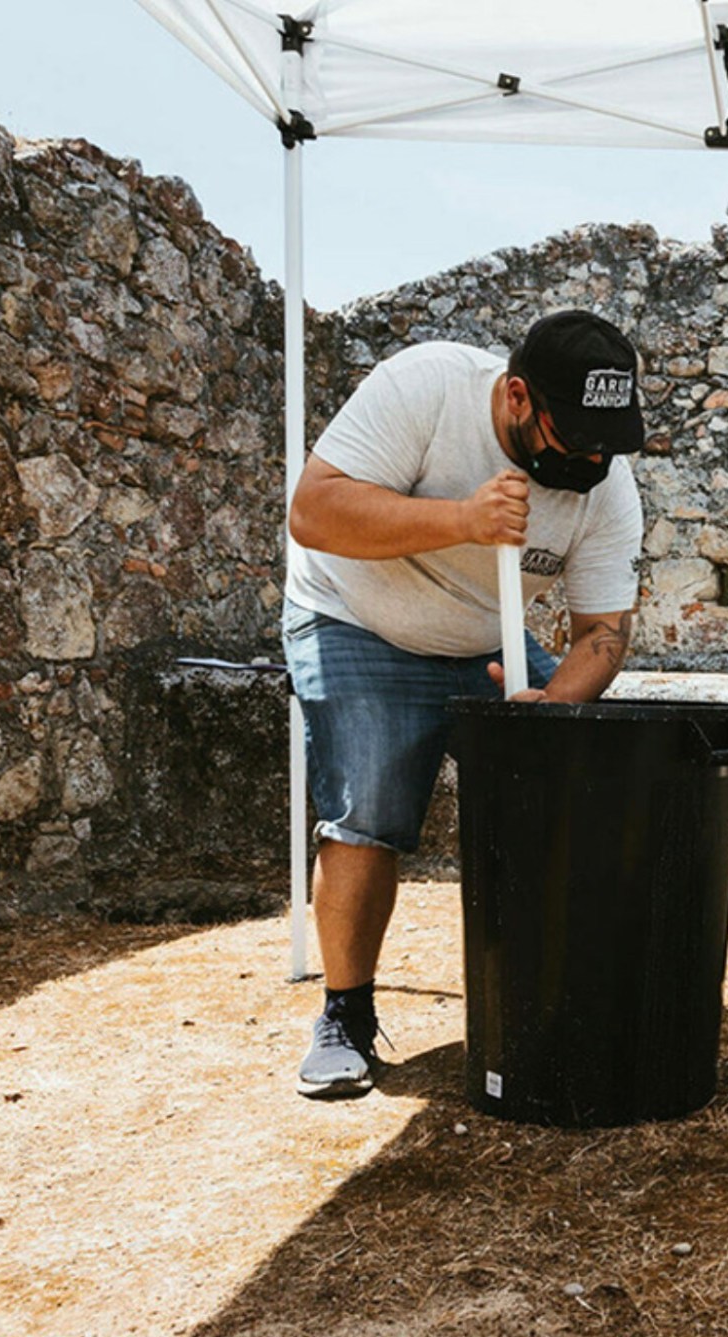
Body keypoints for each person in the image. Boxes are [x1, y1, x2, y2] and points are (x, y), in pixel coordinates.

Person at [283, 310, 646, 1099]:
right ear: (517, 397)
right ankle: (344, 1017)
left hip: (484, 636)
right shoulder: (427, 389)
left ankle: (556, 996)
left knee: (572, 775)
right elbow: (312, 510)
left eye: (606, 438)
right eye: (575, 433)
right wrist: (461, 520)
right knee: (369, 804)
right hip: (356, 614)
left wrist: (550, 704)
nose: (591, 455)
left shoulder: (605, 482)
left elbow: (603, 634)